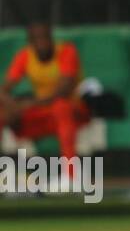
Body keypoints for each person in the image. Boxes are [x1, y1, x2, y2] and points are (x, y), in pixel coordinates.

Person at [1, 22, 92, 169]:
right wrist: (11, 105)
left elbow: (62, 92)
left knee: (61, 107)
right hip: (44, 115)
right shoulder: (25, 56)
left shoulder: (66, 51)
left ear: (51, 38)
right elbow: (4, 89)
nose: (42, 43)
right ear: (30, 43)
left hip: (74, 112)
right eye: (36, 39)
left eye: (45, 38)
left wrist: (28, 104)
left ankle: (71, 174)